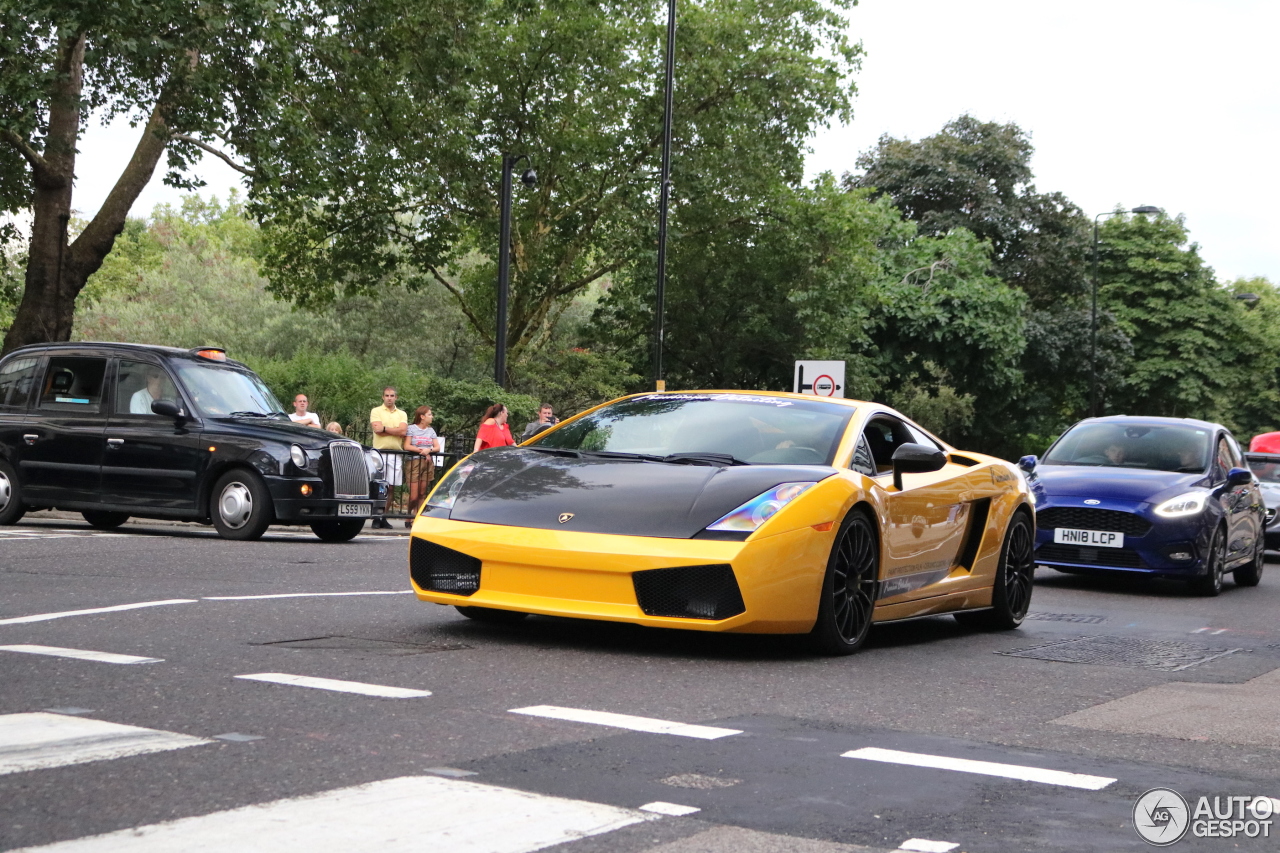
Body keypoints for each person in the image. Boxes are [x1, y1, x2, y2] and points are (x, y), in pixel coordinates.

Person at [370, 387, 408, 528]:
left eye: (392, 395)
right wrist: (394, 431)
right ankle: (375, 516)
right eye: (387, 395)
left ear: (396, 397)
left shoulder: (402, 414)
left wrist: (385, 429)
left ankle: (383, 516)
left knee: (391, 487)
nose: (389, 398)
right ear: (383, 397)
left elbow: (403, 431)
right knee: (378, 485)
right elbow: (377, 430)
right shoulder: (376, 411)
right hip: (379, 453)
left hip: (395, 453)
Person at [403, 405, 444, 527]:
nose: (432, 417)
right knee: (414, 495)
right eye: (429, 414)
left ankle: (417, 518)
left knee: (422, 493)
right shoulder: (412, 429)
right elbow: (407, 445)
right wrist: (421, 450)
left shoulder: (431, 431)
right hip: (414, 462)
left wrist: (429, 450)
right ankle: (408, 515)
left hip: (426, 463)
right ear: (422, 416)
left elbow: (437, 447)